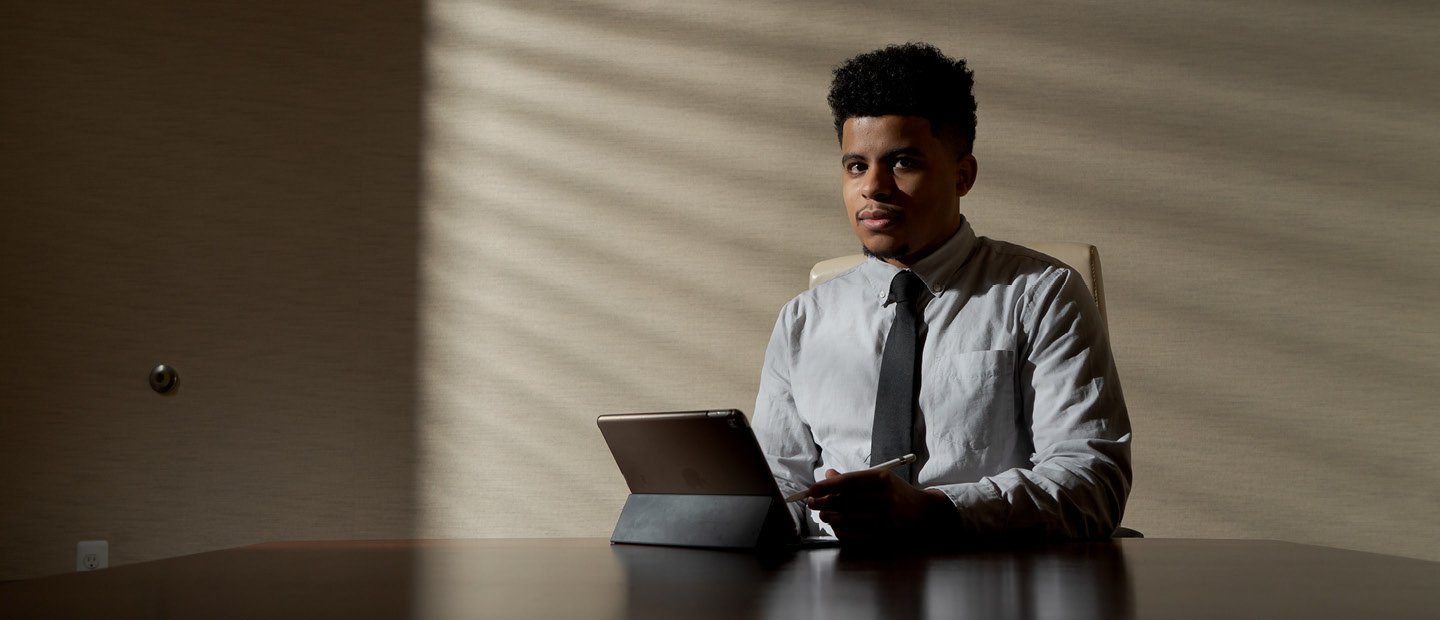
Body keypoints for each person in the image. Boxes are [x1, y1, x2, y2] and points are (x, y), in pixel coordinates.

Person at [752, 43, 1132, 546]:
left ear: (963, 174)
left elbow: (1091, 481)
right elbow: (780, 485)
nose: (873, 188)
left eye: (902, 162)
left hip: (985, 584)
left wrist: (934, 511)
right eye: (855, 166)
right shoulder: (803, 320)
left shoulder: (1042, 295)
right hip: (829, 587)